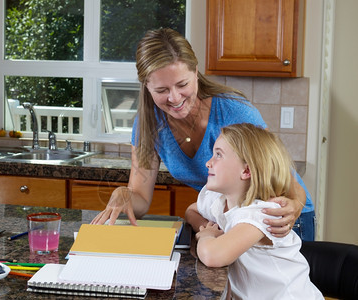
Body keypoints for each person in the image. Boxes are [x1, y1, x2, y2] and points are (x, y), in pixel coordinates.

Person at [91, 28, 315, 241]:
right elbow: (140, 198)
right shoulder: (148, 125)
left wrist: (294, 207)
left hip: (281, 218)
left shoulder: (234, 111)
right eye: (162, 90)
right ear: (146, 87)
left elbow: (285, 178)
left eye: (182, 84)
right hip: (232, 219)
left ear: (195, 73)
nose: (175, 98)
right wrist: (124, 195)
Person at [191, 123, 323, 299]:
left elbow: (212, 256)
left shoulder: (262, 214)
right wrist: (214, 231)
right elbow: (191, 211)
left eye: (218, 155)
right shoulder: (219, 199)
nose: (208, 163)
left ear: (246, 170)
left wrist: (207, 236)